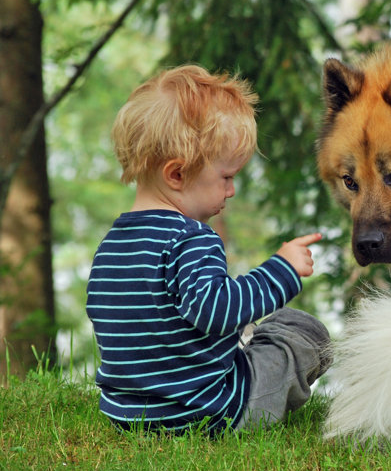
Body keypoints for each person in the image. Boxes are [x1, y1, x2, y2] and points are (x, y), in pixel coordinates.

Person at [86, 64, 331, 434]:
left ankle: (234, 351)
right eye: (226, 177)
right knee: (300, 329)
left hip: (127, 415)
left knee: (243, 330)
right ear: (177, 174)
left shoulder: (113, 243)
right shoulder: (189, 237)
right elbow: (215, 310)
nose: (231, 191)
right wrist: (281, 270)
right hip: (212, 411)